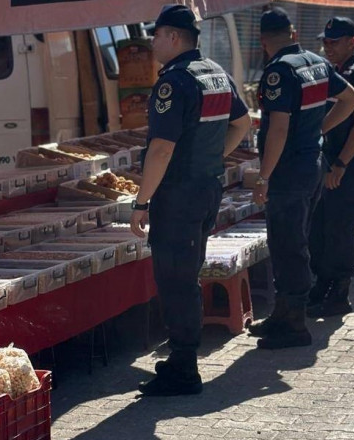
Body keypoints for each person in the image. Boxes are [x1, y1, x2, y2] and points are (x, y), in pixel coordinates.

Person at [129, 5, 251, 396]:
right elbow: (243, 123)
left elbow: (161, 149)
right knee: (188, 272)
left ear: (174, 37)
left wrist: (141, 201)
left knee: (176, 279)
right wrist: (216, 158)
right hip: (207, 188)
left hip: (178, 194)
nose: (152, 43)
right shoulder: (215, 74)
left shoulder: (175, 83)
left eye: (156, 35)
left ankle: (184, 368)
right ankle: (182, 357)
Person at [246, 7, 354, 349]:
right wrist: (319, 129)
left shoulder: (279, 71)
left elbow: (278, 127)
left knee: (288, 245)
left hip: (289, 171)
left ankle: (294, 324)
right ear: (293, 33)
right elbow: (350, 99)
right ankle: (283, 312)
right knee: (293, 241)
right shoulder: (315, 62)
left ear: (263, 41)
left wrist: (263, 175)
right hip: (312, 163)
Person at [307, 17, 354, 318]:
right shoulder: (330, 72)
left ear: (352, 42)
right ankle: (323, 282)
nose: (328, 47)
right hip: (325, 162)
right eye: (325, 42)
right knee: (320, 227)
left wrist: (340, 164)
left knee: (340, 228)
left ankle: (340, 290)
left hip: (344, 163)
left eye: (334, 42)